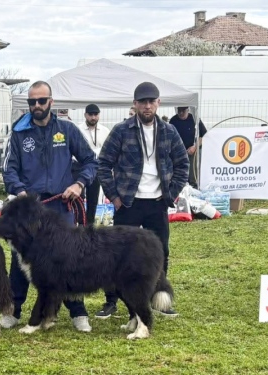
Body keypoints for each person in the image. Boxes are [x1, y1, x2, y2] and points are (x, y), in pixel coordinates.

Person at [0, 81, 97, 332]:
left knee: (68, 259)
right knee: (19, 260)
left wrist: (78, 184)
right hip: (29, 209)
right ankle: (13, 310)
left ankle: (78, 312)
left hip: (60, 205)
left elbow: (89, 161)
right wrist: (19, 191)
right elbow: (8, 169)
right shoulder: (19, 133)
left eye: (41, 101)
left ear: (51, 102)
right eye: (32, 102)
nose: (37, 106)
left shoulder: (66, 130)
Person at [95, 82, 188, 319]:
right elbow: (104, 163)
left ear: (158, 103)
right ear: (135, 104)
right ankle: (112, 301)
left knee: (160, 251)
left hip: (157, 202)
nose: (147, 106)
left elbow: (182, 163)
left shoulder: (169, 131)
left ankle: (159, 299)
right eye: (142, 102)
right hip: (128, 202)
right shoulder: (121, 130)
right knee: (117, 255)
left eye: (151, 101)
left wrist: (172, 192)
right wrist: (114, 196)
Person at [77, 103, 110, 226]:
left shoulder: (105, 130)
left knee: (93, 200)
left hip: (96, 169)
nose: (93, 117)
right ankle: (80, 225)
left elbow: (108, 151)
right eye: (90, 114)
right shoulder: (78, 129)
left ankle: (89, 227)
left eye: (95, 114)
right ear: (85, 115)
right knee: (79, 198)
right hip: (80, 168)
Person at [169, 107, 207, 189]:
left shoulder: (195, 119)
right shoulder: (173, 121)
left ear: (188, 110)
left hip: (192, 151)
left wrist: (195, 147)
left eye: (183, 111)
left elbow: (204, 136)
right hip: (178, 152)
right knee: (179, 174)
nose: (181, 113)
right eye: (179, 111)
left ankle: (193, 187)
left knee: (192, 175)